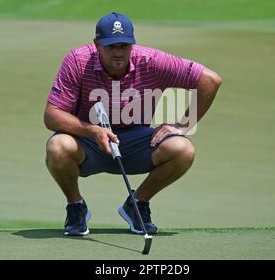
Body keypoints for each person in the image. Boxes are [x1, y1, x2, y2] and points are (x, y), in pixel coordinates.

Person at [44, 12, 222, 236]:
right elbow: (52, 115)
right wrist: (92, 131)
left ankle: (137, 204)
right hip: (90, 144)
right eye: (111, 46)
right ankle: (75, 206)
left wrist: (182, 126)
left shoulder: (151, 60)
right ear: (97, 44)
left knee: (183, 150)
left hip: (135, 142)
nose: (118, 53)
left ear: (132, 44)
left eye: (124, 46)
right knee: (57, 146)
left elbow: (210, 80)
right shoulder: (78, 60)